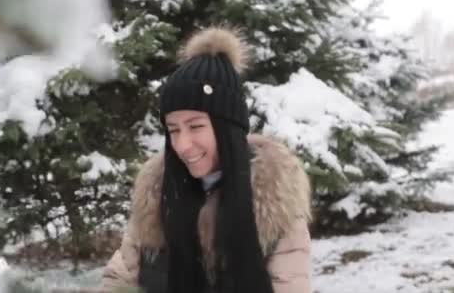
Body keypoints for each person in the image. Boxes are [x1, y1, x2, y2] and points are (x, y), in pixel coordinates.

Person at [101, 27, 312, 293]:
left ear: (227, 128)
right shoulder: (156, 196)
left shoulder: (277, 204)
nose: (182, 145)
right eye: (174, 130)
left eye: (196, 126)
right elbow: (120, 280)